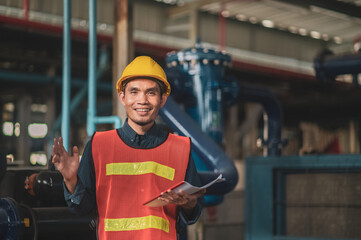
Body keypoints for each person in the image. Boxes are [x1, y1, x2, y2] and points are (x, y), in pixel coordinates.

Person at [52, 56, 205, 240]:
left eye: (151, 92)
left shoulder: (181, 148)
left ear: (163, 99)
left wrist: (189, 205)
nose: (142, 100)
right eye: (134, 92)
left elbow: (191, 215)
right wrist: (71, 181)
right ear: (122, 97)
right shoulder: (99, 145)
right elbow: (81, 207)